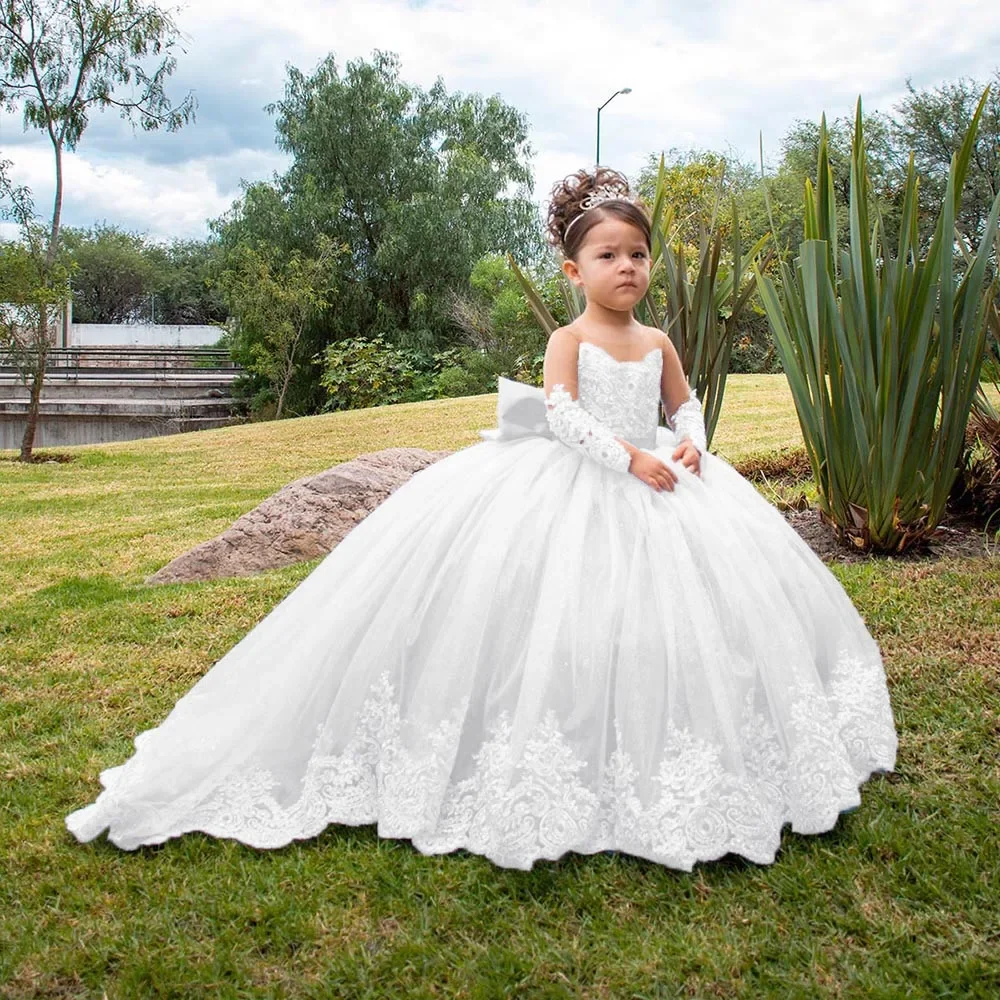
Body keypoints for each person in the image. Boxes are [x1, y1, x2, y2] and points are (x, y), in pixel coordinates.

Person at [66, 167, 898, 872]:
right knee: (540, 613)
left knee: (676, 619)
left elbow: (687, 408)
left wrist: (686, 445)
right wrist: (628, 456)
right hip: (579, 477)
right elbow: (564, 419)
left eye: (638, 254)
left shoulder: (660, 341)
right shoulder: (569, 339)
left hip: (665, 486)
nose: (628, 268)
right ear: (574, 270)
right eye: (608, 255)